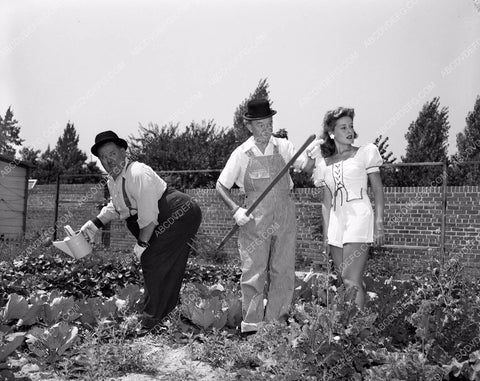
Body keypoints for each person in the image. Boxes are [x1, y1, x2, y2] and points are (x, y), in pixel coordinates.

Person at [216, 99, 320, 334]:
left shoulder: (283, 147)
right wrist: (235, 209)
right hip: (254, 218)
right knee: (254, 270)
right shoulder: (242, 153)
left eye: (269, 123)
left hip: (284, 215)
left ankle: (276, 325)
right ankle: (252, 326)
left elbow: (307, 167)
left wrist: (315, 155)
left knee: (283, 269)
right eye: (261, 124)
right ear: (249, 125)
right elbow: (220, 186)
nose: (267, 128)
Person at [80, 130, 202, 331]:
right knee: (166, 264)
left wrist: (142, 244)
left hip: (178, 213)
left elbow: (149, 217)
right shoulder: (114, 180)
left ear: (123, 152)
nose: (108, 160)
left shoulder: (137, 173)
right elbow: (117, 206)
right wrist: (95, 224)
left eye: (112, 154)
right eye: (103, 157)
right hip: (163, 217)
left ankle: (151, 319)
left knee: (153, 259)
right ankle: (163, 314)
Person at [313, 107, 385, 309]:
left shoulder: (365, 153)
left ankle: (355, 332)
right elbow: (326, 202)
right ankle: (358, 326)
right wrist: (327, 234)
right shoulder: (324, 164)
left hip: (359, 219)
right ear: (331, 132)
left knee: (350, 278)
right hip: (337, 222)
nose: (349, 130)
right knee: (347, 281)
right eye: (343, 127)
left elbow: (378, 190)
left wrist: (379, 223)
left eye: (351, 126)